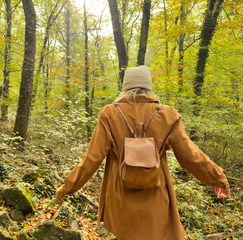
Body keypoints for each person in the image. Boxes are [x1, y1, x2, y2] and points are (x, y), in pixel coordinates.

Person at [55, 65, 230, 240]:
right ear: (149, 86)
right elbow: (191, 156)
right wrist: (217, 178)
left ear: (125, 86)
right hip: (156, 197)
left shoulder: (109, 114)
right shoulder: (168, 115)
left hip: (120, 199)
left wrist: (66, 188)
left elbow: (92, 158)